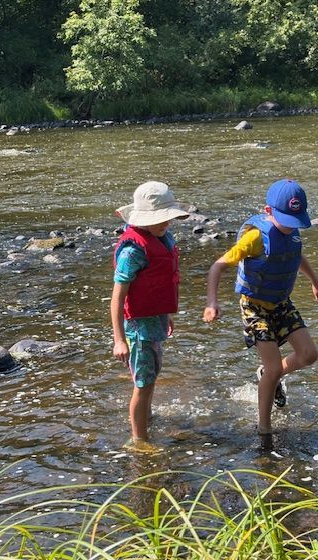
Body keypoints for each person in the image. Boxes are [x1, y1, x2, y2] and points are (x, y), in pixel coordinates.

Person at [203, 178, 318, 436]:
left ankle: (268, 375)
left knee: (308, 355)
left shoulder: (290, 231)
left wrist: (315, 281)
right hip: (254, 307)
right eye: (286, 221)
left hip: (281, 303)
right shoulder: (255, 238)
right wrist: (212, 302)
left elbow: (295, 255)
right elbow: (217, 266)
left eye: (295, 221)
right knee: (273, 368)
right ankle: (264, 430)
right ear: (268, 211)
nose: (290, 227)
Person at [111, 181, 190, 449]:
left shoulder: (161, 237)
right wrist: (119, 340)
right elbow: (118, 297)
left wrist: (165, 313)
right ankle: (139, 440)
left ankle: (147, 416)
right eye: (160, 219)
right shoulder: (133, 250)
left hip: (154, 320)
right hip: (138, 328)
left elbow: (159, 284)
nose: (166, 224)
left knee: (152, 374)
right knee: (143, 382)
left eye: (168, 219)